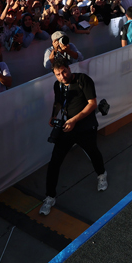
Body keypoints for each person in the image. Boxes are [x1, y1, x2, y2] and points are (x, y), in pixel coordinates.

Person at [40, 57, 107, 216]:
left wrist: (74, 120)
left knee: (93, 152)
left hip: (85, 127)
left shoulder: (83, 79)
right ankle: (50, 196)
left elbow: (92, 104)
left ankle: (101, 174)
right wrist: (53, 115)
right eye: (58, 74)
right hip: (67, 128)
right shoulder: (58, 85)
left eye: (64, 71)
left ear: (69, 68)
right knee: (55, 161)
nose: (62, 76)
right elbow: (58, 101)